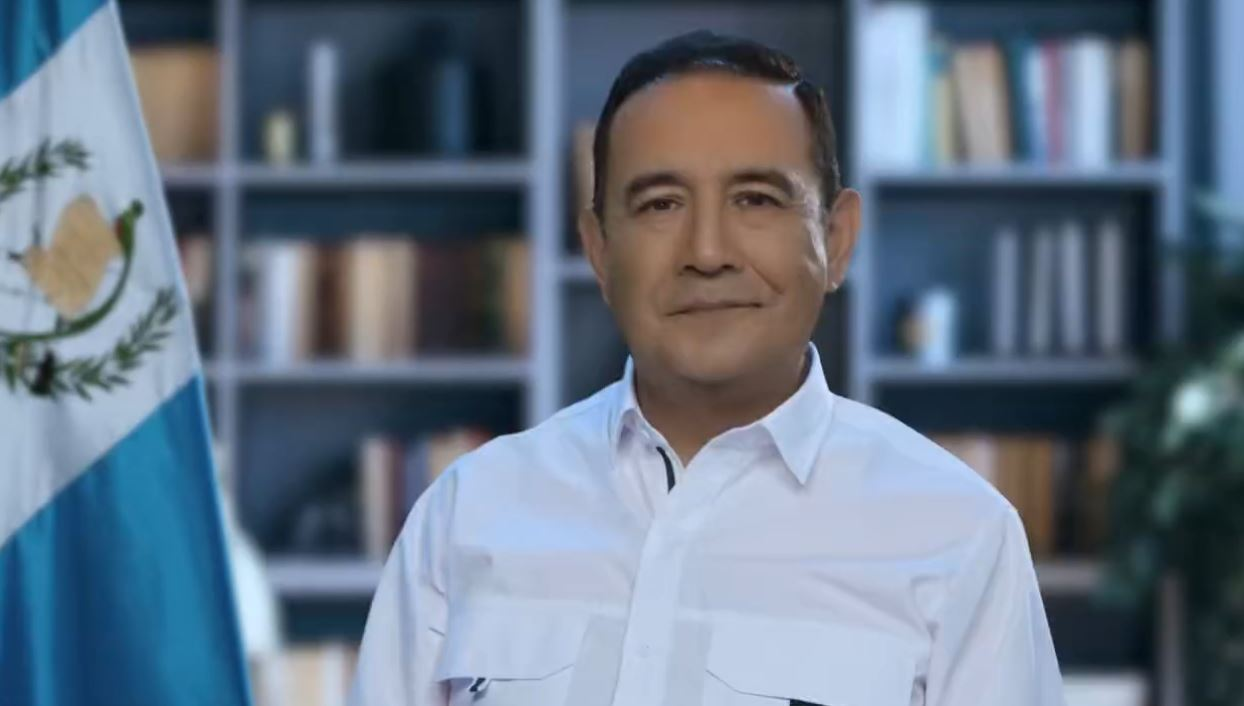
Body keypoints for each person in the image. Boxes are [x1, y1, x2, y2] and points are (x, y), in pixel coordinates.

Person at [350, 30, 1065, 706]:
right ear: (600, 252)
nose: (708, 252)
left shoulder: (961, 537)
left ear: (837, 240)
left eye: (756, 199)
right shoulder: (466, 514)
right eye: (661, 204)